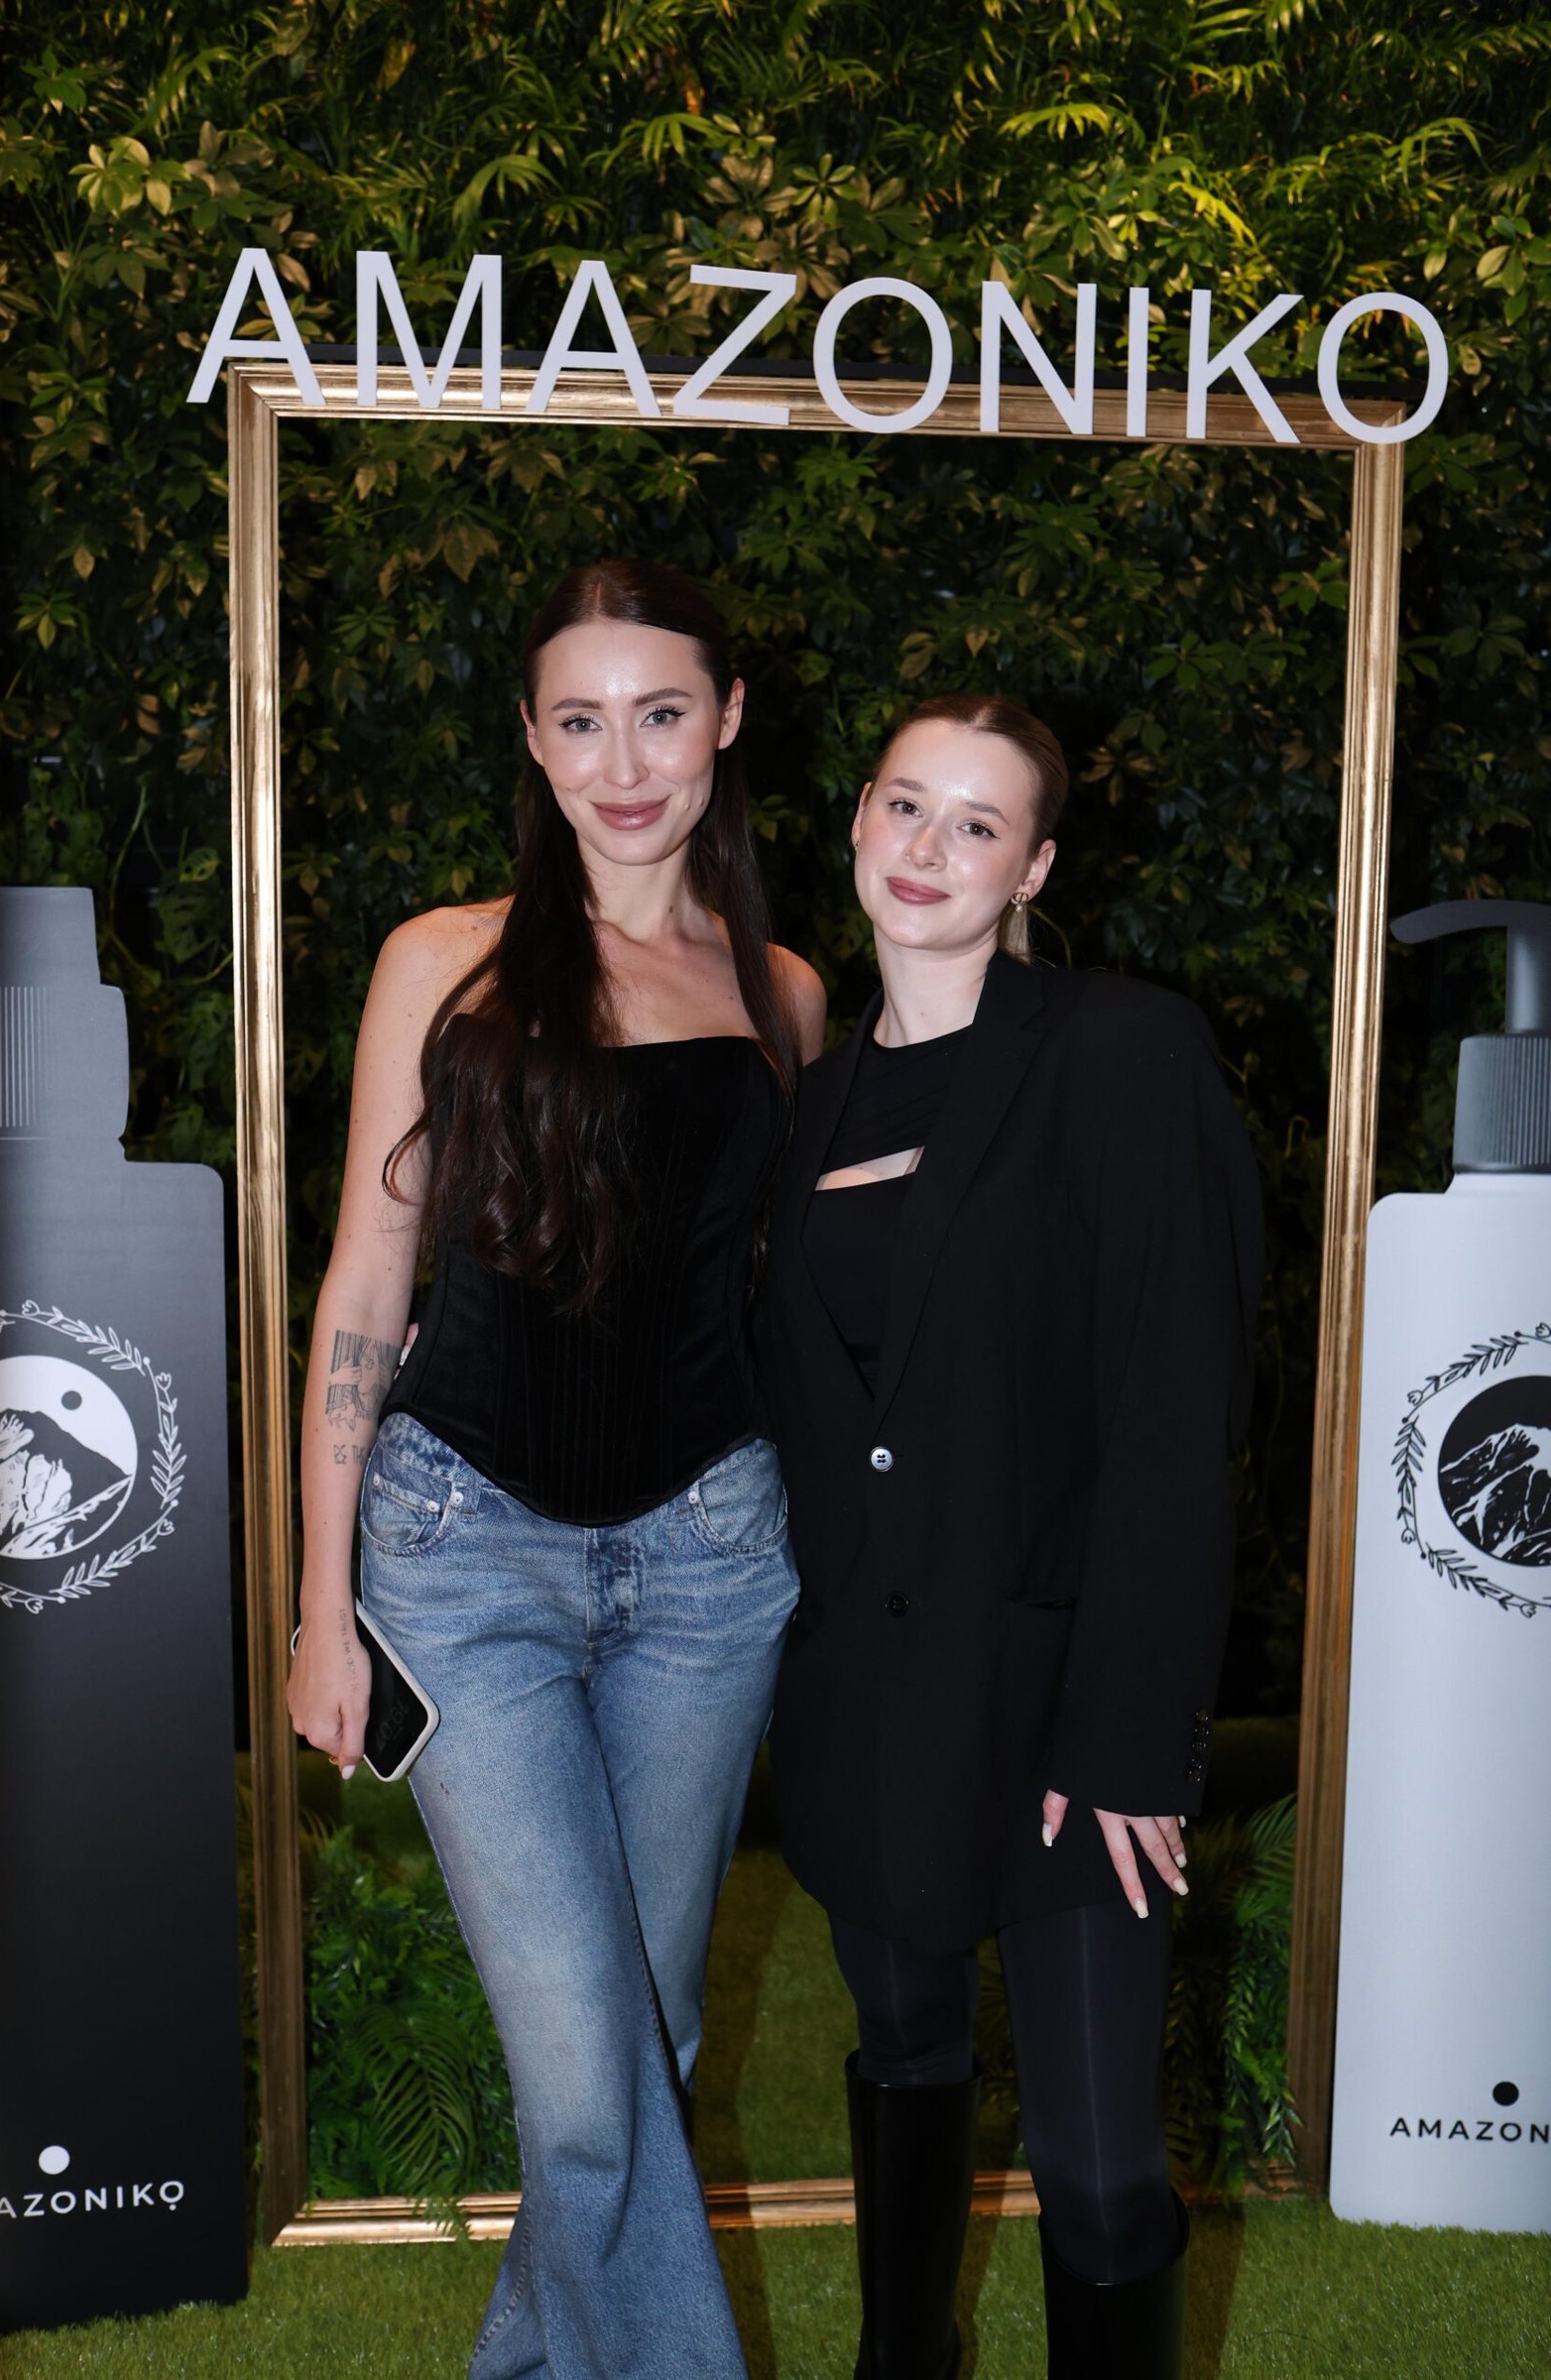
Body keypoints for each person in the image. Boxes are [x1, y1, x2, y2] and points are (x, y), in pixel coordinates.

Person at [287, 558, 825, 2380]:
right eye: (580, 722)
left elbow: (792, 1293)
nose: (624, 763)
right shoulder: (440, 963)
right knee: (590, 2067)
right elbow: (367, 1285)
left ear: (725, 719)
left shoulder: (782, 990)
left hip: (711, 1567)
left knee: (644, 2042)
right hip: (462, 1554)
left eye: (660, 715)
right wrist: (323, 1608)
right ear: (531, 739)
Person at [755, 693, 1262, 2380]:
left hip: (1063, 1713)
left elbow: (1179, 1415)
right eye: (907, 805)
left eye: (978, 825)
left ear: (1032, 868)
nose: (929, 849)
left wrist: (1131, 1740)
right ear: (857, 819)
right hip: (864, 1700)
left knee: (1100, 2170)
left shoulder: (1122, 1053)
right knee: (902, 2056)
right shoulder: (808, 1102)